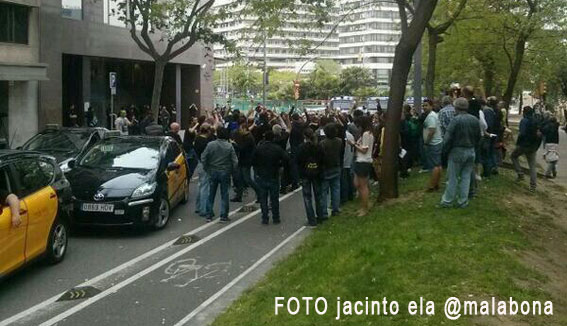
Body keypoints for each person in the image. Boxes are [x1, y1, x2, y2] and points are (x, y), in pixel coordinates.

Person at [439, 98, 481, 208]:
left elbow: (448, 138)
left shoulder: (456, 120)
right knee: (466, 177)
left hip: (457, 150)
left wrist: (444, 150)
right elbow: (479, 137)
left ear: (456, 108)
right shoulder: (474, 119)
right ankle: (463, 201)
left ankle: (447, 201)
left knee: (452, 177)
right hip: (471, 150)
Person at [201, 127, 238, 222]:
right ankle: (223, 216)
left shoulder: (210, 145)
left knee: (211, 194)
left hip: (212, 170)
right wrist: (232, 171)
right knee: (224, 194)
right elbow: (235, 161)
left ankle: (208, 214)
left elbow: (204, 157)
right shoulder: (229, 146)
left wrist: (206, 168)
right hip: (225, 171)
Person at [252, 131, 290, 225]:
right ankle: (276, 217)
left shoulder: (259, 148)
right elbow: (286, 158)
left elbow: (253, 160)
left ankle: (265, 218)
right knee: (274, 198)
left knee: (263, 198)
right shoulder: (277, 149)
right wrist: (280, 164)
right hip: (273, 174)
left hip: (262, 175)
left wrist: (257, 170)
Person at [511, 106, 542, 192]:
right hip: (533, 146)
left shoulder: (524, 121)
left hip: (524, 145)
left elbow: (522, 133)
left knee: (513, 156)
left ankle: (520, 173)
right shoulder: (536, 121)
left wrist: (518, 143)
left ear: (524, 112)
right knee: (532, 166)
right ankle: (533, 186)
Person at [297, 128, 323, 227]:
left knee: (307, 197)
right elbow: (322, 159)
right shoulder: (318, 146)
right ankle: (320, 216)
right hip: (317, 173)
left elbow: (298, 160)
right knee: (318, 196)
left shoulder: (301, 147)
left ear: (304, 137)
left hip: (305, 173)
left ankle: (311, 219)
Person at [349, 116, 374, 217]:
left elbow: (364, 150)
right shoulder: (365, 134)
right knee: (357, 184)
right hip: (360, 160)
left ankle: (365, 208)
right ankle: (364, 204)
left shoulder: (366, 134)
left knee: (362, 186)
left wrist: (353, 144)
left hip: (364, 161)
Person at [231, 117, 259, 202]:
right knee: (239, 178)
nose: (239, 131)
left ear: (244, 129)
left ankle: (259, 193)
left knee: (248, 179)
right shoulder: (245, 136)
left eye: (240, 129)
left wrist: (234, 144)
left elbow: (242, 148)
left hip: (246, 160)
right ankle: (238, 196)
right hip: (242, 160)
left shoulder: (248, 138)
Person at [319, 123, 343, 219]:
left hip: (325, 168)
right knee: (336, 189)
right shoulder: (339, 141)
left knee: (324, 191)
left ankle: (324, 212)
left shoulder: (322, 143)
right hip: (336, 166)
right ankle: (335, 209)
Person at [194, 123, 214, 218]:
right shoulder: (206, 142)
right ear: (208, 131)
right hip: (206, 164)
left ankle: (198, 206)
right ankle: (203, 209)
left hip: (199, 163)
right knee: (205, 187)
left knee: (201, 185)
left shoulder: (197, 139)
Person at [422, 99, 443, 191]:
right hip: (437, 142)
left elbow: (431, 131)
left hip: (433, 143)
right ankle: (437, 184)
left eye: (426, 105)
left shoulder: (431, 117)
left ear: (431, 106)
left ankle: (432, 186)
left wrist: (426, 142)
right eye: (423, 106)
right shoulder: (433, 115)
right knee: (438, 165)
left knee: (434, 166)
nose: (424, 107)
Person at [341, 127, 356, 203]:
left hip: (344, 160)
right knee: (350, 177)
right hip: (350, 159)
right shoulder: (350, 135)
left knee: (344, 180)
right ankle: (351, 194)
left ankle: (345, 197)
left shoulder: (342, 136)